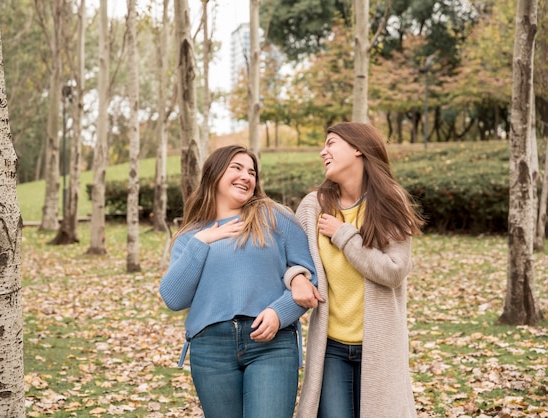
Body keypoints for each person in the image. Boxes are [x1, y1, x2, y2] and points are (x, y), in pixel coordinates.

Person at [159, 145, 317, 418]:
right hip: (210, 349)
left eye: (252, 172)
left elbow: (308, 276)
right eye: (237, 168)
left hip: (272, 344)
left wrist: (280, 314)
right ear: (214, 174)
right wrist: (203, 240)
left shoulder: (274, 216)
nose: (246, 176)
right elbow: (174, 298)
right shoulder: (190, 236)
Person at [290, 122, 424, 418]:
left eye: (331, 143)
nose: (322, 151)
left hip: (380, 348)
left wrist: (343, 235)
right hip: (331, 348)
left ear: (358, 148)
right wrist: (296, 277)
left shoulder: (390, 202)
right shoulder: (313, 207)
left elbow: (393, 271)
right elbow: (292, 260)